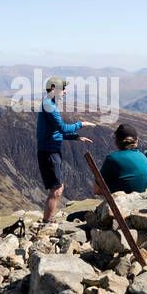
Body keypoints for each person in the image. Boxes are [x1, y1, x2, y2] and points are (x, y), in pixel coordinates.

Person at [36, 76, 95, 223]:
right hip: (49, 152)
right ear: (54, 89)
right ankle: (47, 222)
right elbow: (62, 128)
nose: (65, 92)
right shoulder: (49, 105)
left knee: (57, 188)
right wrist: (81, 124)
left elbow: (56, 132)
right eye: (63, 89)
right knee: (56, 189)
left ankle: (48, 220)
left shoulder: (49, 104)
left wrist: (75, 137)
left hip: (50, 150)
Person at [95, 123, 147, 195]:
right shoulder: (143, 157)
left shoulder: (112, 158)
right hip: (144, 201)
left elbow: (96, 190)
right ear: (136, 141)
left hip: (123, 203)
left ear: (116, 141)